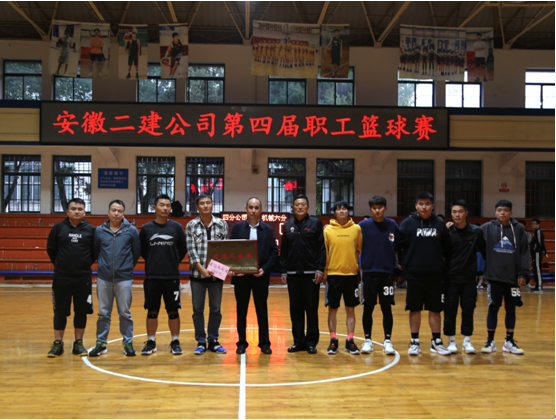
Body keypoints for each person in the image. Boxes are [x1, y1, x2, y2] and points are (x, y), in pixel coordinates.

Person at [397, 192, 452, 356]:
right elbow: (398, 245)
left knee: (435, 309)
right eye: (421, 203)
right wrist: (404, 264)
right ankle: (415, 341)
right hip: (414, 275)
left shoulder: (439, 224)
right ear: (416, 206)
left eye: (427, 203)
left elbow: (447, 248)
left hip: (435, 275)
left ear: (432, 206)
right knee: (415, 308)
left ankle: (436, 342)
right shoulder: (407, 224)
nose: (424, 207)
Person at [89, 200, 141, 357]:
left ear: (123, 213)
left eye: (119, 211)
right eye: (113, 210)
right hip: (104, 278)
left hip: (124, 278)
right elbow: (96, 251)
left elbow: (136, 253)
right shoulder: (99, 231)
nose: (116, 213)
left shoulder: (131, 231)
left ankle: (128, 343)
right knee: (103, 313)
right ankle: (101, 343)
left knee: (125, 312)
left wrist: (126, 268)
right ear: (108, 212)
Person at [46, 198, 95, 358]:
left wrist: (83, 264)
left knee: (81, 311)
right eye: (73, 208)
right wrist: (61, 264)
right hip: (62, 277)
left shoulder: (91, 230)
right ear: (67, 211)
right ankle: (58, 343)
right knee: (60, 311)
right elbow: (51, 249)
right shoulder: (58, 228)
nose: (76, 211)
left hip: (83, 278)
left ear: (84, 212)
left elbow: (94, 252)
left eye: (80, 209)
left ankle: (78, 343)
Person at [139, 194, 187, 355]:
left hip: (171, 277)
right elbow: (143, 251)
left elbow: (182, 249)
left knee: (173, 311)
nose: (165, 208)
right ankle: (151, 341)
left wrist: (172, 261)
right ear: (154, 208)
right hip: (152, 277)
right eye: (161, 205)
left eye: (167, 205)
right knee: (152, 311)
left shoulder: (177, 228)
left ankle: (175, 341)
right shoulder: (146, 228)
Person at [480, 200, 529, 355]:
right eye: (499, 210)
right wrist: (451, 226)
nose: (502, 213)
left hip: (513, 278)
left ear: (511, 213)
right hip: (494, 277)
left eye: (505, 210)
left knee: (511, 308)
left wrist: (523, 273)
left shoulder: (518, 229)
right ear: (495, 212)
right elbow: (470, 233)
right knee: (493, 308)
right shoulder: (487, 227)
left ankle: (509, 341)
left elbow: (524, 252)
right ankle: (490, 340)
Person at [230, 197, 278, 355]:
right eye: (250, 207)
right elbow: (232, 249)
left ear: (261, 210)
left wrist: (264, 269)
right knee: (241, 311)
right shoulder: (237, 227)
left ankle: (264, 343)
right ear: (246, 209)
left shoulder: (268, 229)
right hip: (241, 277)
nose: (253, 210)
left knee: (262, 311)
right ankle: (241, 343)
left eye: (256, 207)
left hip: (260, 277)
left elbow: (273, 252)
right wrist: (234, 269)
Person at [280, 194, 326, 354]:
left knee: (311, 309)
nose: (300, 207)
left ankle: (311, 342)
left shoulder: (315, 223)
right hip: (293, 274)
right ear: (293, 207)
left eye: (303, 204)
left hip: (311, 274)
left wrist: (319, 269)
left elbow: (321, 248)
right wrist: (284, 270)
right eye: (297, 205)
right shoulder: (287, 225)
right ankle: (298, 341)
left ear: (308, 207)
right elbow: (284, 250)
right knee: (296, 309)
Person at [186, 193, 229, 355]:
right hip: (197, 276)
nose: (205, 205)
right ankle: (201, 341)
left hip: (217, 276)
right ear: (197, 207)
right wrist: (202, 269)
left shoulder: (222, 224)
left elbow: (225, 250)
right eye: (202, 203)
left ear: (212, 205)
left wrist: (221, 271)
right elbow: (191, 250)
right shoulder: (191, 225)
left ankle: (213, 340)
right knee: (198, 310)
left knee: (215, 309)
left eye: (208, 202)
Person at [443, 200, 486, 354]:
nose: (457, 215)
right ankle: (451, 341)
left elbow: (485, 252)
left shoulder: (476, 231)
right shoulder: (447, 231)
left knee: (468, 309)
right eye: (454, 212)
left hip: (469, 279)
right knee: (450, 310)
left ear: (466, 213)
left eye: (460, 211)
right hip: (450, 279)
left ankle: (467, 340)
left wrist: (485, 273)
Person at [359, 195, 398, 355]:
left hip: (387, 273)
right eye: (374, 208)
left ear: (385, 208)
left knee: (386, 307)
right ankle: (367, 340)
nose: (377, 210)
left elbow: (399, 245)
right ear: (370, 209)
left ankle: (387, 340)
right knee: (368, 307)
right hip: (369, 273)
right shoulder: (362, 226)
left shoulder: (392, 225)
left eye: (380, 207)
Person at [323, 201, 362, 355]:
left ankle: (350, 340)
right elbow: (324, 253)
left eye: (344, 209)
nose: (341, 211)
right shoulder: (328, 230)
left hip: (351, 276)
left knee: (350, 309)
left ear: (348, 212)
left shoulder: (356, 229)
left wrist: (359, 269)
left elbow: (362, 249)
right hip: (333, 276)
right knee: (333, 309)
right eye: (338, 209)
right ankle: (333, 340)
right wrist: (324, 274)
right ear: (334, 212)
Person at [530, 218, 548, 292]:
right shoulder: (535, 232)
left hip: (537, 253)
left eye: (534, 224)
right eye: (532, 224)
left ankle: (539, 287)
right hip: (534, 253)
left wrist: (544, 251)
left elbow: (541, 243)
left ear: (538, 225)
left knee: (537, 269)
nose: (532, 225)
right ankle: (537, 285)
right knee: (535, 269)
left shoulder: (538, 232)